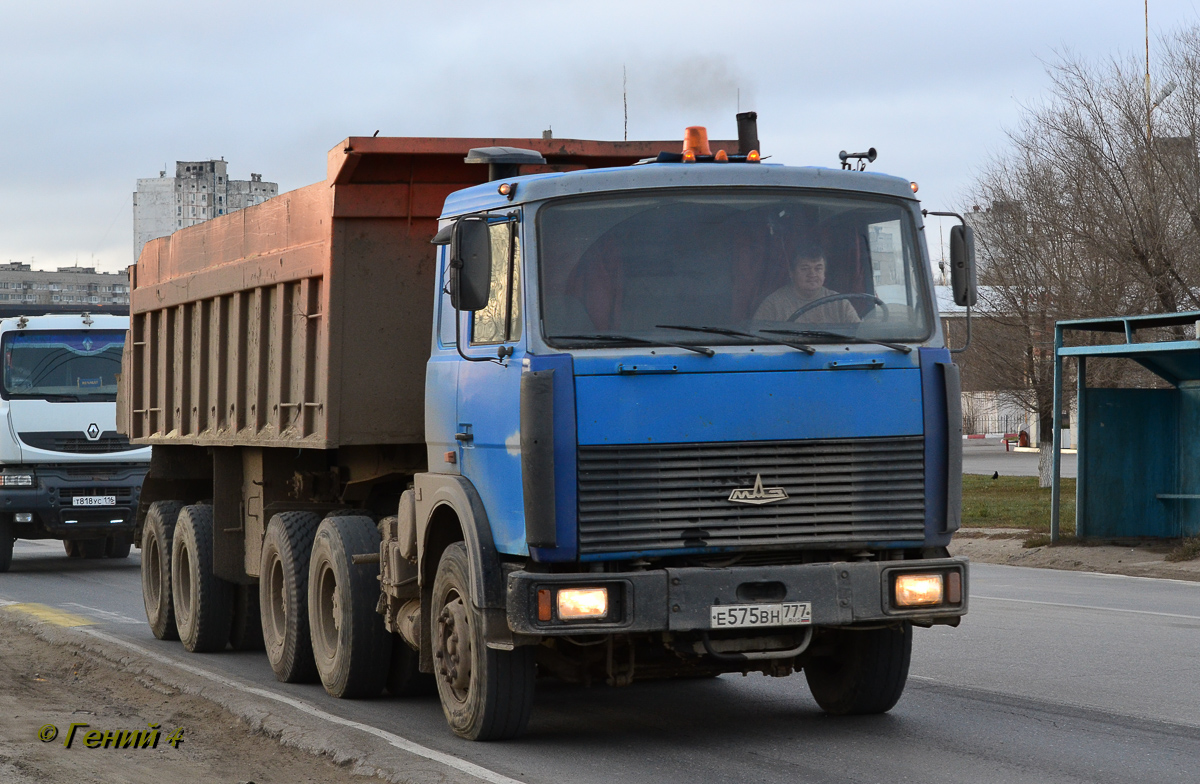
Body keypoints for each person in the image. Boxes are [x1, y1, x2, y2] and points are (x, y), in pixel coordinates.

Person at [753, 251, 860, 324]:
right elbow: (757, 341)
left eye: (818, 269)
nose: (812, 274)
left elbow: (859, 334)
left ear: (824, 273)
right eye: (805, 268)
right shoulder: (773, 304)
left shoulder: (840, 303)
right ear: (791, 273)